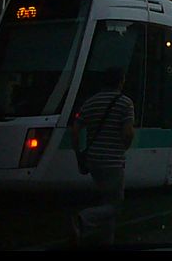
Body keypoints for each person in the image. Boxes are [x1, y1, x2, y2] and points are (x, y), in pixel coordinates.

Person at [70, 67, 135, 248]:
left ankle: (106, 241)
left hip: (93, 160)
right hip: (113, 161)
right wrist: (123, 147)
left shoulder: (90, 103)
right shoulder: (125, 103)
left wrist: (79, 154)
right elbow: (128, 133)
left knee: (106, 200)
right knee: (116, 205)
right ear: (120, 82)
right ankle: (83, 219)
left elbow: (75, 131)